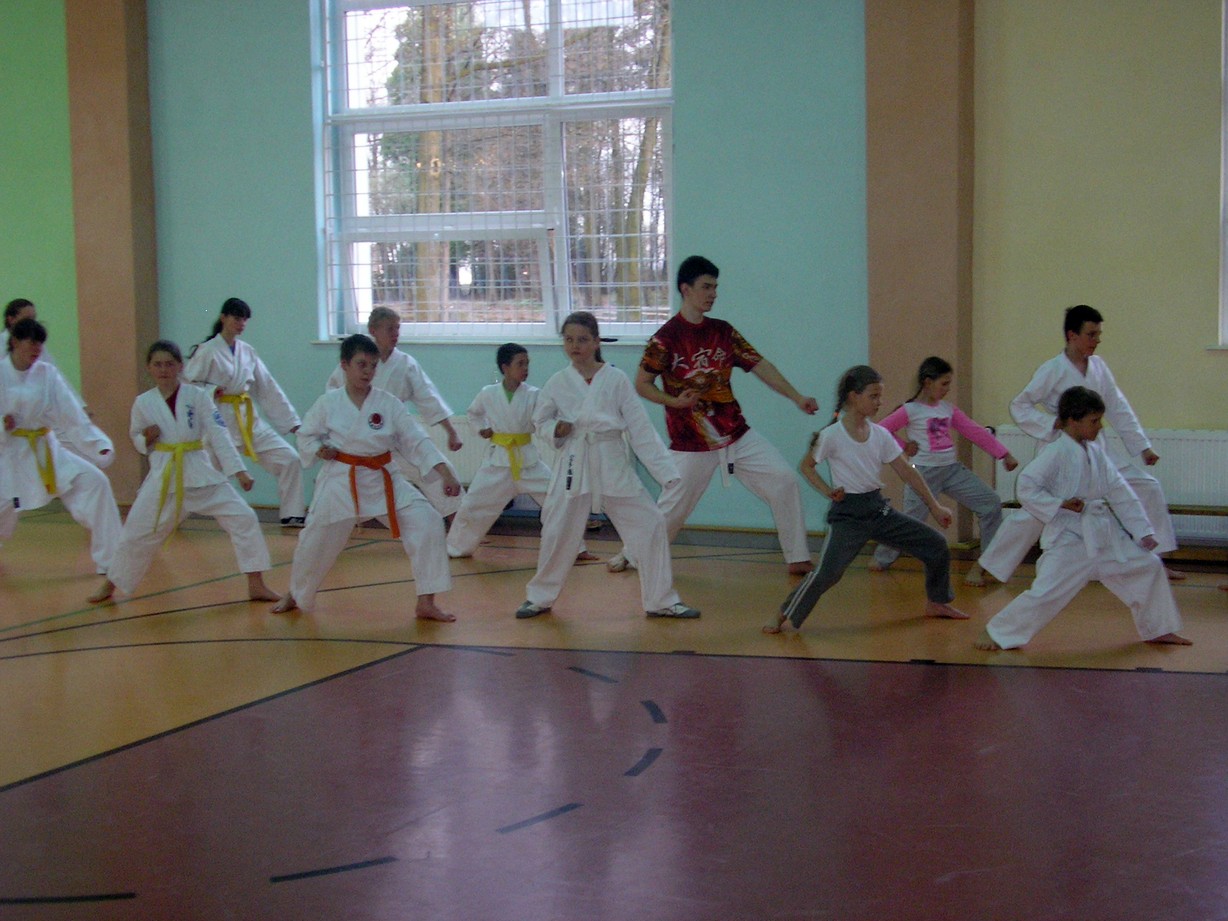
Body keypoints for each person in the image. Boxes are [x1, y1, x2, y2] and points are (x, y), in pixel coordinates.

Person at [606, 255, 819, 576]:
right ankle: (632, 553)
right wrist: (674, 401)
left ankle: (797, 556)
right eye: (706, 287)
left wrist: (797, 396)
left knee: (783, 480)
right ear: (686, 289)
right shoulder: (665, 338)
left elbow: (760, 365)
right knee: (672, 510)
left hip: (736, 433)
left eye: (715, 287)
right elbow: (642, 384)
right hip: (691, 442)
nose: (713, 294)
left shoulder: (723, 332)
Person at [975, 387, 1190, 651]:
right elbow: (1027, 486)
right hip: (1070, 538)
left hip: (1104, 534)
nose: (1100, 427)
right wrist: (1059, 504)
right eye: (1094, 421)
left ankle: (1159, 629)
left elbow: (1120, 491)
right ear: (1073, 421)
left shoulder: (1096, 452)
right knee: (1047, 593)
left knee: (1149, 566)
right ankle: (997, 632)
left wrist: (1142, 531)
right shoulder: (1055, 451)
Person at [516, 312, 699, 620]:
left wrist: (666, 472)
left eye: (583, 340)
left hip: (610, 458)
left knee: (651, 523)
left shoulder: (615, 379)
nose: (575, 346)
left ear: (596, 342)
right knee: (558, 530)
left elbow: (639, 428)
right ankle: (539, 597)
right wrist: (555, 430)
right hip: (574, 461)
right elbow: (540, 420)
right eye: (569, 340)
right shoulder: (558, 382)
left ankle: (661, 599)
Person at [980, 304, 1182, 582]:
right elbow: (1020, 405)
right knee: (1035, 514)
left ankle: (1153, 560)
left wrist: (1142, 446)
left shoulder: (1099, 367)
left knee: (1147, 487)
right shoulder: (1052, 369)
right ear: (1072, 335)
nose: (1096, 340)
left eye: (1099, 334)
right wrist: (1051, 424)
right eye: (1091, 334)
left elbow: (1117, 406)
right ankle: (987, 565)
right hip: (1061, 451)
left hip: (1098, 449)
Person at [764, 365, 965, 634]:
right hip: (848, 515)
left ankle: (937, 602)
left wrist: (935, 505)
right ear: (853, 396)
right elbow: (807, 466)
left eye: (879, 396)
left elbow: (907, 471)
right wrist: (827, 490)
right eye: (873, 396)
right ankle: (783, 613)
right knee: (828, 574)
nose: (879, 402)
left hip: (878, 511)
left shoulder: (880, 435)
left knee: (936, 544)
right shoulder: (832, 435)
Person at [271, 334, 459, 621]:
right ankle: (296, 594)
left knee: (428, 521)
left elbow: (416, 440)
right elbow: (306, 435)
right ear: (344, 365)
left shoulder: (388, 403)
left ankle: (426, 602)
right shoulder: (328, 403)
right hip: (341, 479)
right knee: (314, 539)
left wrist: (445, 472)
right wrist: (319, 449)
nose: (368, 372)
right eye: (361, 364)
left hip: (383, 478)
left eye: (373, 366)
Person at [89, 341, 278, 604]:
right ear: (149, 368)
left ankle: (256, 584)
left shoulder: (197, 396)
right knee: (136, 532)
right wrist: (146, 438)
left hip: (199, 473)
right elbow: (136, 437)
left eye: (169, 364)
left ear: (180, 367)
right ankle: (111, 584)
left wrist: (239, 471)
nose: (163, 369)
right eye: (157, 364)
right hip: (164, 477)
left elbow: (219, 433)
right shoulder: (143, 402)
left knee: (244, 517)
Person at [870, 356, 1018, 586]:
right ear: (928, 382)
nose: (948, 389)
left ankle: (989, 562)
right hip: (923, 474)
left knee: (990, 503)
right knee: (911, 521)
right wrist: (904, 446)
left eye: (949, 384)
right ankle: (882, 557)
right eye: (944, 384)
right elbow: (881, 430)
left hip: (951, 471)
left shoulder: (948, 410)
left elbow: (974, 431)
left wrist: (1004, 454)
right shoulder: (910, 410)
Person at [445, 343, 595, 562]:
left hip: (528, 461)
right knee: (474, 504)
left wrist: (558, 428)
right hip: (497, 462)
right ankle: (455, 547)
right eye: (520, 364)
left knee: (557, 499)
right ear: (505, 367)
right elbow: (474, 414)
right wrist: (482, 429)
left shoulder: (535, 395)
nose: (526, 369)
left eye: (527, 364)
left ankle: (576, 549)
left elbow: (545, 419)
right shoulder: (488, 393)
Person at [0, 319, 122, 573]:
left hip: (46, 452)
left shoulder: (47, 374)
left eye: (40, 344)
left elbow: (71, 413)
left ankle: (112, 560)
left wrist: (97, 444)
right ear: (15, 342)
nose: (37, 349)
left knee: (96, 483)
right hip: (9, 455)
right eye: (32, 343)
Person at [325, 306, 464, 518]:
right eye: (390, 329)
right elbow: (333, 399)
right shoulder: (354, 363)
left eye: (397, 328)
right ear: (373, 330)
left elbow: (428, 398)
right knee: (344, 489)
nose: (395, 334)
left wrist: (451, 432)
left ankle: (458, 530)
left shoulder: (406, 364)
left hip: (397, 436)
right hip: (361, 442)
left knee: (441, 472)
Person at [183, 297, 307, 527]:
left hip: (248, 419)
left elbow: (267, 388)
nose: (241, 323)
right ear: (223, 318)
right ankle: (172, 515)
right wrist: (211, 390)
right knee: (201, 476)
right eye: (237, 318)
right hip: (218, 420)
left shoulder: (247, 352)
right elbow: (188, 385)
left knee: (289, 459)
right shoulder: (207, 351)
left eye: (244, 320)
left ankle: (292, 514)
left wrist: (292, 422)